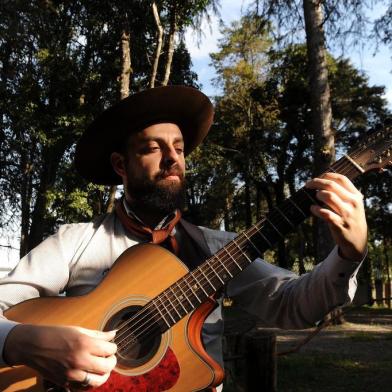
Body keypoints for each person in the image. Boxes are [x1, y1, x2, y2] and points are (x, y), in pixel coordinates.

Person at [0, 85, 367, 390]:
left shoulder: (217, 251)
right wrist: (20, 341)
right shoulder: (74, 242)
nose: (172, 158)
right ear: (120, 165)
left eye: (178, 148)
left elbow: (291, 303)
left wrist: (349, 254)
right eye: (153, 147)